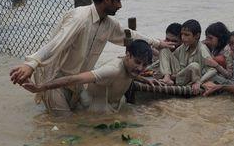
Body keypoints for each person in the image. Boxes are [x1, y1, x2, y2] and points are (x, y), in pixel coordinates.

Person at [9, 0, 175, 114]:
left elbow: (130, 35)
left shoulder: (109, 24)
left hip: (78, 81)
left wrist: (159, 43)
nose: (120, 6)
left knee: (79, 121)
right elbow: (55, 44)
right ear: (107, 0)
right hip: (55, 78)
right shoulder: (80, 18)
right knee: (63, 127)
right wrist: (30, 64)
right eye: (118, 0)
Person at [22, 40, 153, 114]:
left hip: (111, 105)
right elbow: (75, 79)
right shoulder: (112, 70)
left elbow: (127, 75)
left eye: (145, 65)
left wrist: (142, 78)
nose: (141, 68)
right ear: (128, 55)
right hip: (93, 109)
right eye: (137, 62)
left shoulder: (131, 69)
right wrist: (40, 88)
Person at [158, 19, 217, 94]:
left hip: (189, 81)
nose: (182, 37)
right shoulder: (183, 46)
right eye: (182, 34)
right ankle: (167, 78)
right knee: (164, 50)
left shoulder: (202, 50)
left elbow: (213, 70)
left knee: (194, 66)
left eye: (186, 35)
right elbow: (168, 58)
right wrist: (149, 69)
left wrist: (199, 82)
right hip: (178, 75)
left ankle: (171, 78)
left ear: (197, 36)